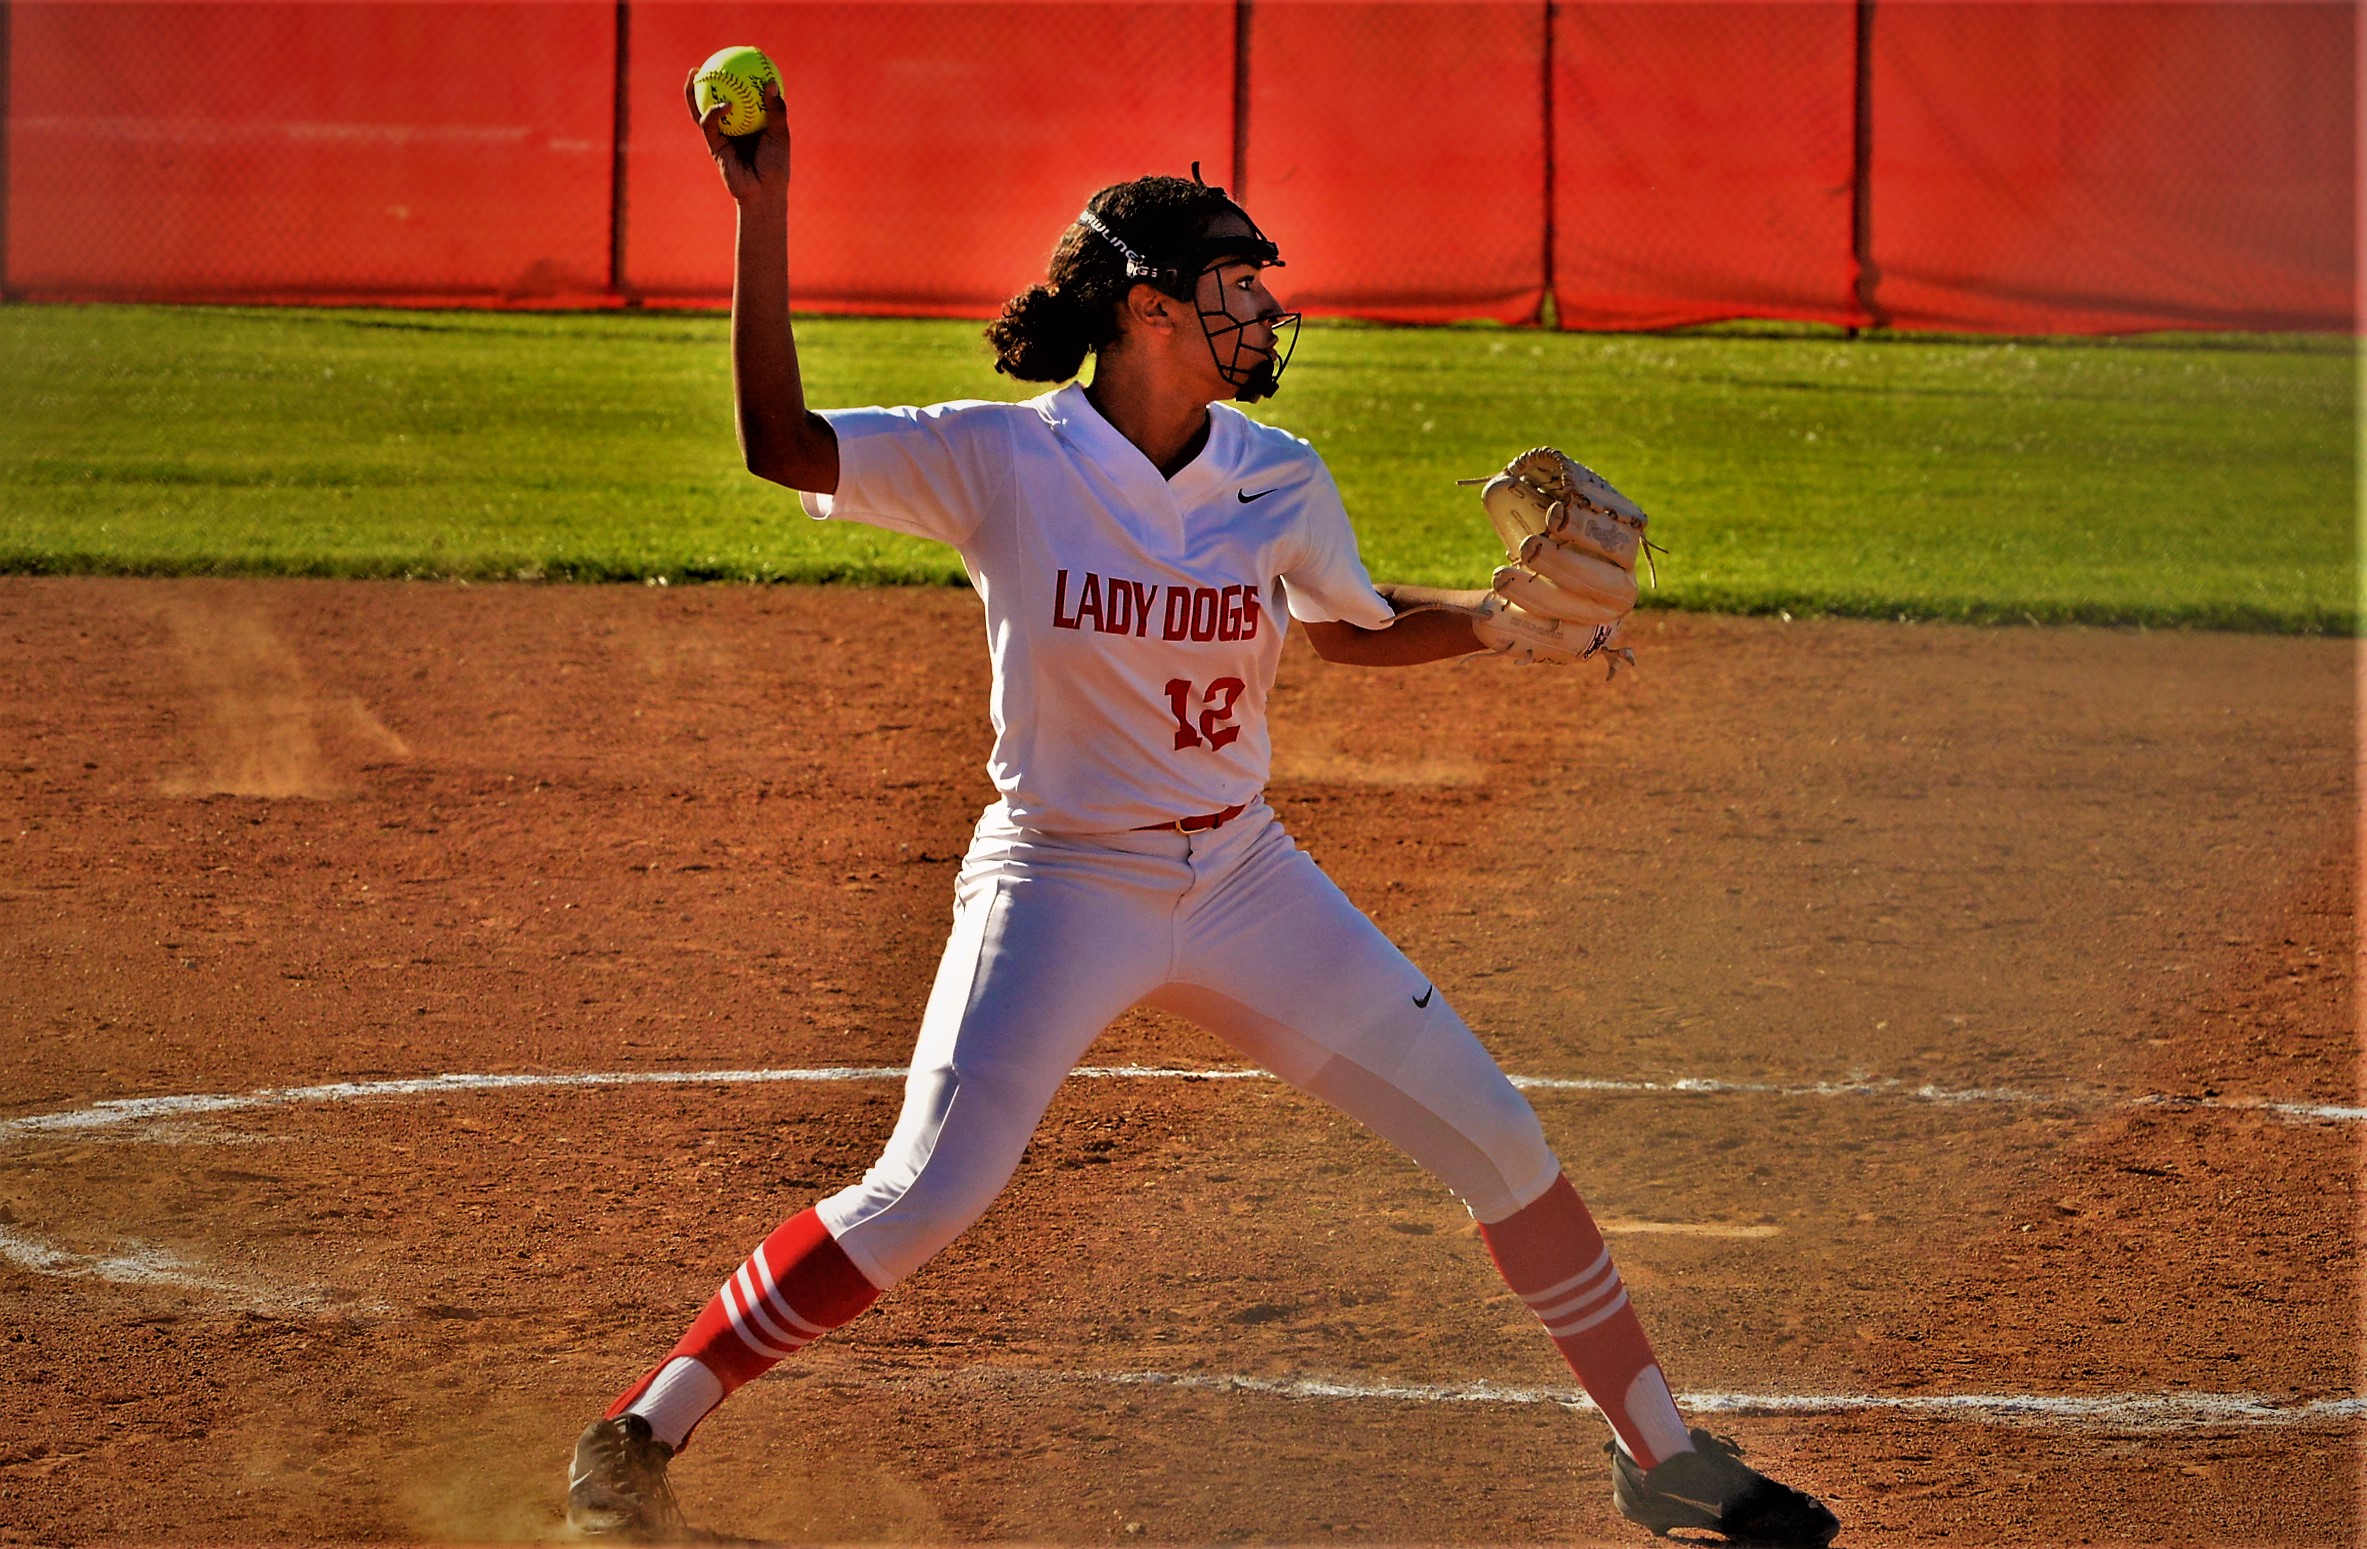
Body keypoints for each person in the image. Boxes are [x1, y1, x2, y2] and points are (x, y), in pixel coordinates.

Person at [562, 74, 1841, 1548]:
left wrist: (1492, 621)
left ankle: (1662, 1455)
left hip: (1243, 878)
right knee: (924, 1191)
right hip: (1060, 879)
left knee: (1500, 1142)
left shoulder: (1275, 476)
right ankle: (643, 1425)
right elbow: (782, 446)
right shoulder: (1005, 459)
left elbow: (1349, 627)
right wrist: (764, 212)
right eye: (1236, 284)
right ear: (1149, 309)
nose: (1263, 311)